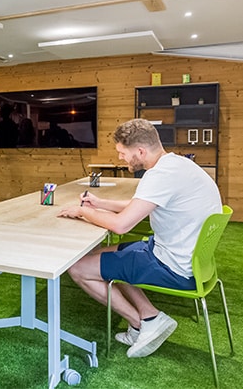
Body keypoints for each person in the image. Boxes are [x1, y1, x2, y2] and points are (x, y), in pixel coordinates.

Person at [57, 119, 222, 358]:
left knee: (78, 268)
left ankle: (143, 323)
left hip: (174, 266)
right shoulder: (176, 165)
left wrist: (83, 211)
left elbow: (122, 225)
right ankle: (148, 316)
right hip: (192, 261)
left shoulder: (160, 175)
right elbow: (141, 204)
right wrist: (101, 204)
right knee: (107, 256)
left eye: (123, 153)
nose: (121, 159)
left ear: (140, 151)